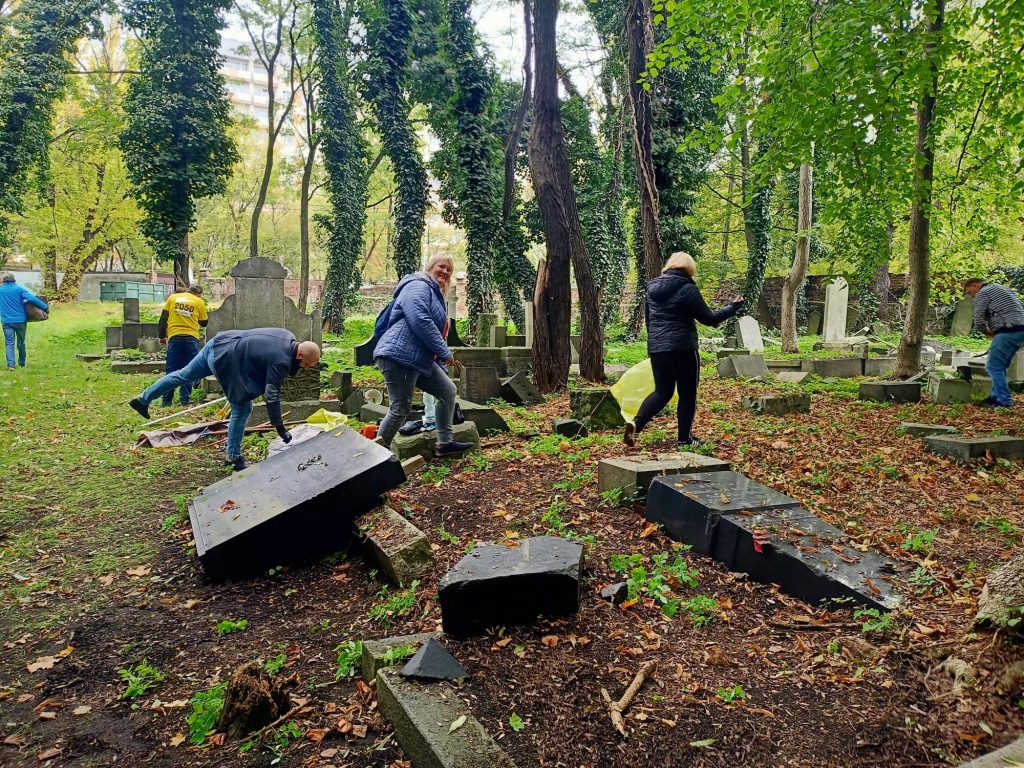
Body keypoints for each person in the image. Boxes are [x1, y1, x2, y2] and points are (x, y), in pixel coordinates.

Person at [129, 328, 321, 470]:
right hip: (224, 359)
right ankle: (233, 457)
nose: (303, 368)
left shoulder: (287, 335)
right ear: (300, 354)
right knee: (243, 408)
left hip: (219, 342)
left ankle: (142, 399)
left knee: (183, 375)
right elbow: (271, 395)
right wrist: (280, 428)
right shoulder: (281, 360)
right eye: (304, 364)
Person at [624, 252, 743, 447]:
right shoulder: (688, 289)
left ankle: (636, 423)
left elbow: (649, 321)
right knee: (688, 394)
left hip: (658, 348)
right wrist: (733, 307)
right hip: (683, 349)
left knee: (662, 392)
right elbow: (710, 319)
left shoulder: (651, 288)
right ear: (689, 268)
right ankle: (684, 439)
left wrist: (657, 342)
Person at [373, 255, 473, 457]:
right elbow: (420, 319)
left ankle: (444, 443)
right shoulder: (418, 285)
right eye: (441, 267)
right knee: (400, 408)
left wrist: (443, 360)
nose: (445, 272)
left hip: (418, 358)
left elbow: (433, 335)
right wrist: (445, 352)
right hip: (399, 355)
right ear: (430, 267)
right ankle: (374, 457)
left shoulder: (435, 293)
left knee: (447, 390)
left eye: (449, 271)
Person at [964, 277, 1024, 408]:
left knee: (993, 367)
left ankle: (1004, 402)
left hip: (1008, 331)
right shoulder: (1001, 288)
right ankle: (995, 398)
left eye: (970, 292)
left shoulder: (983, 292)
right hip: (1020, 330)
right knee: (1000, 366)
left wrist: (986, 332)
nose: (972, 296)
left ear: (975, 286)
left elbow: (978, 318)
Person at [158, 283, 209, 407]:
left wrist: (162, 336)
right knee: (188, 369)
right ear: (198, 294)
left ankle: (166, 401)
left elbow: (163, 318)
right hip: (191, 338)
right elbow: (204, 323)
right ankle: (184, 400)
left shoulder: (173, 298)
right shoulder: (198, 301)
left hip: (174, 337)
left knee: (171, 370)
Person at [0, 273, 49, 371]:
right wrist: (45, 307)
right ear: (14, 280)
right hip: (20, 321)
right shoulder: (19, 289)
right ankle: (22, 363)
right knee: (21, 342)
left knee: (9, 343)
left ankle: (11, 365)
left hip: (6, 321)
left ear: (3, 281)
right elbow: (32, 298)